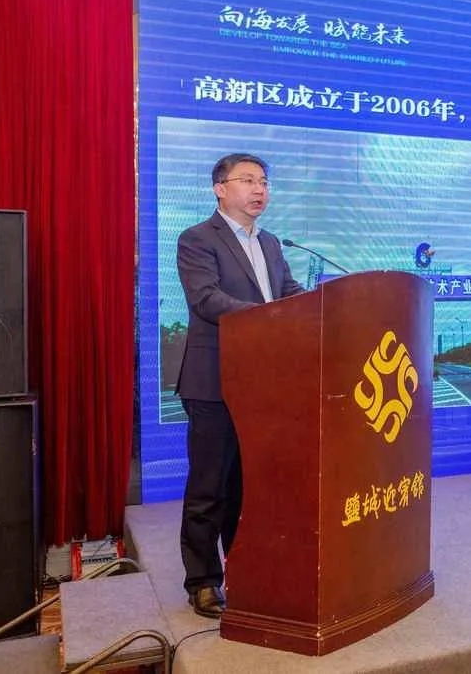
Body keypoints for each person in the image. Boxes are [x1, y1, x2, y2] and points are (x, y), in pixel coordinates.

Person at [175, 153, 305, 618]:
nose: (259, 189)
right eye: (248, 180)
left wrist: (323, 304)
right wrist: (270, 317)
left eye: (264, 182)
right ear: (220, 188)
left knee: (251, 488)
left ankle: (245, 569)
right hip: (213, 381)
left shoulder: (270, 242)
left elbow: (285, 292)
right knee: (210, 486)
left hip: (264, 383)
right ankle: (203, 581)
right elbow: (207, 299)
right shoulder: (197, 239)